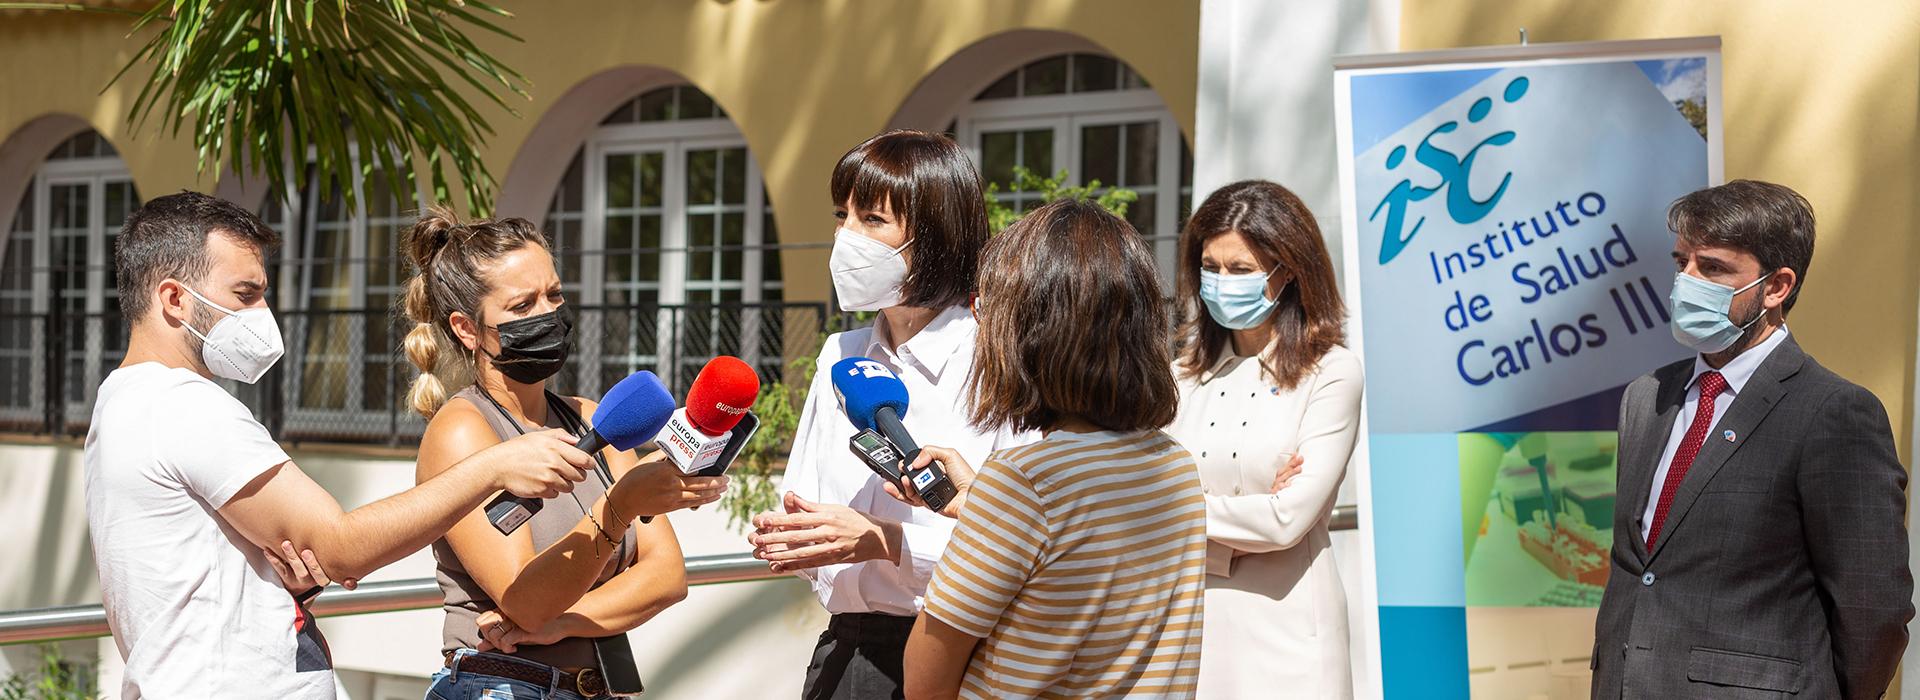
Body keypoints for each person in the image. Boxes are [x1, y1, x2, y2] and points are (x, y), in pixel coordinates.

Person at [84, 192, 592, 699]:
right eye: (245, 294)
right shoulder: (184, 405)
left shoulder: (122, 403)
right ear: (174, 299)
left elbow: (262, 564)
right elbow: (341, 548)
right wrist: (494, 467)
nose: (263, 312)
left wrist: (294, 574)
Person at [1592, 180, 1912, 698]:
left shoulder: (1833, 412)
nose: (1685, 282)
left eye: (1712, 268)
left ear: (1776, 287)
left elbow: (1874, 606)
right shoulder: (1645, 397)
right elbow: (1641, 572)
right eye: (1682, 263)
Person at [745, 130, 1032, 699]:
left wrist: (886, 540)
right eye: (841, 215)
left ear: (936, 238)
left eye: (871, 219)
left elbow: (1021, 551)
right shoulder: (840, 354)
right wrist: (799, 538)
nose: (844, 237)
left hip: (960, 655)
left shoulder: (1003, 362)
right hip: (844, 653)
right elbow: (806, 499)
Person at [398, 208, 730, 700]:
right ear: (468, 329)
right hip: (504, 685)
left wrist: (567, 622)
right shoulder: (463, 432)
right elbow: (526, 599)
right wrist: (619, 508)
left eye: (554, 295)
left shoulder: (593, 417)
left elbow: (667, 576)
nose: (547, 315)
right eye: (522, 305)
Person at [891, 198, 1208, 699]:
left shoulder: (1023, 479)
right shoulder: (1175, 465)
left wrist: (997, 499)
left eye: (985, 308)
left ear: (1030, 331)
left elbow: (929, 668)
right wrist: (981, 502)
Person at [1165, 181, 1362, 698]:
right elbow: (1135, 497)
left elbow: (1287, 521)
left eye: (1241, 270)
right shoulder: (1179, 378)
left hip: (1290, 635)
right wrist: (1249, 509)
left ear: (1288, 271)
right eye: (1210, 268)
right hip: (1190, 631)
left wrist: (1172, 505)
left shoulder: (1332, 373)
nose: (1221, 282)